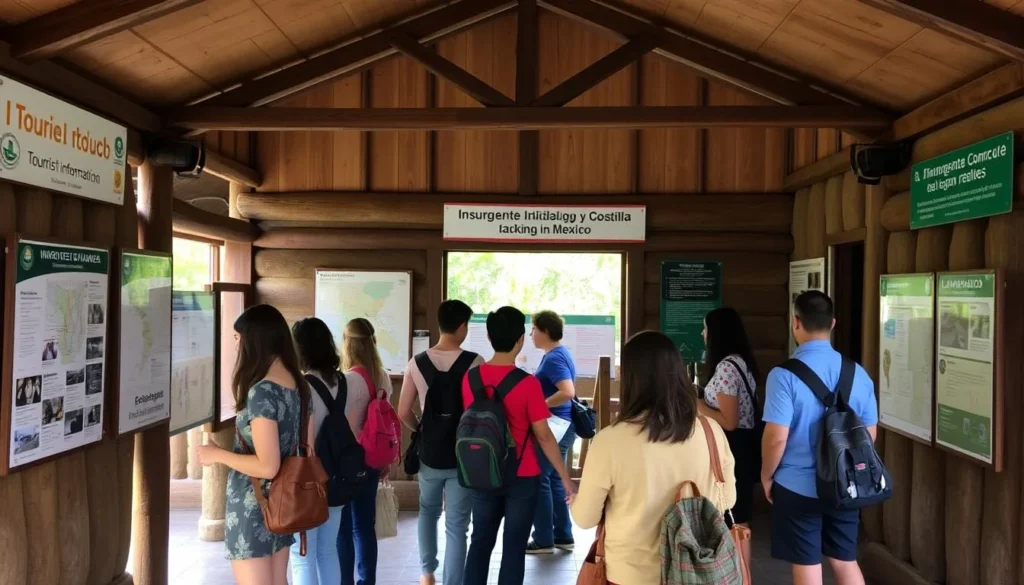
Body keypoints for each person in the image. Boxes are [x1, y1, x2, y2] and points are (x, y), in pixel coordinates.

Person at [570, 330, 736, 585]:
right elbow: (727, 500)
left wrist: (576, 501)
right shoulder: (710, 430)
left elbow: (585, 519)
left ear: (630, 379)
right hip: (697, 574)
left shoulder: (609, 441)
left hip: (631, 575)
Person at [762, 291, 878, 585]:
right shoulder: (858, 374)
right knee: (844, 560)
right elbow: (869, 434)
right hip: (845, 485)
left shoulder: (783, 375)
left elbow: (776, 437)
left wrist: (766, 475)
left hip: (797, 485)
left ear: (796, 322)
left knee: (807, 561)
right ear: (834, 323)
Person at [461, 306, 577, 585]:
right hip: (522, 474)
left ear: (489, 337)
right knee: (514, 547)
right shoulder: (527, 384)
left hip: (481, 471)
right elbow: (544, 436)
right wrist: (565, 477)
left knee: (480, 542)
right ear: (520, 339)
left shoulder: (471, 378)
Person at [195, 304, 310, 585]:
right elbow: (306, 449)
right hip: (283, 502)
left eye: (239, 337)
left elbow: (267, 466)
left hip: (253, 505)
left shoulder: (262, 391)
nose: (236, 344)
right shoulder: (298, 384)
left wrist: (217, 454)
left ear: (255, 340)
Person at [398, 300, 484, 585]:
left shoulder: (417, 362)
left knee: (428, 512)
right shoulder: (474, 362)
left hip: (430, 453)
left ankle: (426, 573)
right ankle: (453, 581)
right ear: (462, 326)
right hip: (463, 454)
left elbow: (403, 411)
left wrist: (420, 429)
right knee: (458, 525)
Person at [290, 317, 358, 585]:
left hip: (308, 478)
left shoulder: (300, 386)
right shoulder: (347, 381)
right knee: (328, 551)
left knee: (302, 554)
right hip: (338, 475)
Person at [695, 307, 760, 570]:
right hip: (742, 450)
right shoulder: (740, 361)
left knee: (735, 519)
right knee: (739, 518)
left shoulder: (725, 368)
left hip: (733, 451)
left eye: (706, 327)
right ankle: (741, 574)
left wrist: (696, 402)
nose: (702, 332)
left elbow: (728, 421)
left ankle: (738, 575)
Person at [338, 317, 394, 585]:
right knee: (364, 527)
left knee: (343, 529)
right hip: (372, 458)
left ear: (347, 344)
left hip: (348, 460)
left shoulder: (346, 380)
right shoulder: (382, 375)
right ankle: (367, 581)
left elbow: (344, 424)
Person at [526, 310, 577, 555]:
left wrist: (540, 404)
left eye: (533, 329)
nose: (531, 334)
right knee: (555, 478)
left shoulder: (554, 358)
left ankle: (544, 539)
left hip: (555, 426)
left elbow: (567, 391)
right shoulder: (559, 353)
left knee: (540, 480)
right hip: (564, 426)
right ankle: (563, 535)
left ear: (545, 331)